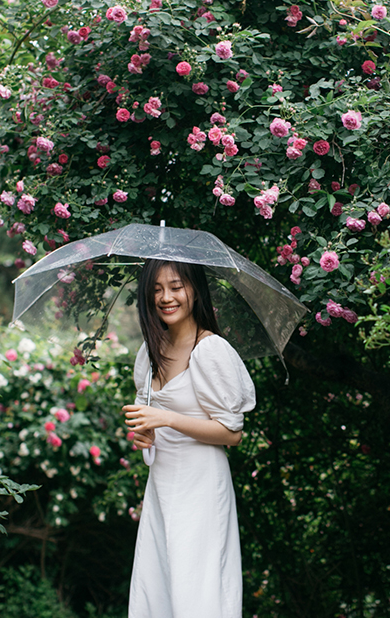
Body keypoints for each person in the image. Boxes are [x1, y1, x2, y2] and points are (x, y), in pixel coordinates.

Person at [122, 259, 256, 618]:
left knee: (198, 585)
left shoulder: (210, 350)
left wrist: (167, 418)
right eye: (156, 290)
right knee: (159, 582)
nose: (166, 297)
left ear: (194, 290)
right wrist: (145, 435)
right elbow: (149, 424)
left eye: (176, 286)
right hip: (162, 482)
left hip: (201, 485)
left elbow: (232, 432)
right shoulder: (149, 354)